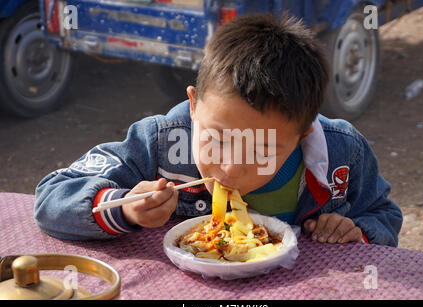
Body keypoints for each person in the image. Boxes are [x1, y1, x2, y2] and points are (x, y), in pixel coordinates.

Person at [34, 14, 402, 246]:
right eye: (217, 139)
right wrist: (125, 209)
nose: (228, 169)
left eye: (260, 151)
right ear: (194, 105)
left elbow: (383, 214)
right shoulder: (162, 141)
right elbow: (52, 196)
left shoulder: (343, 153)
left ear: (304, 133)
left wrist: (358, 231)